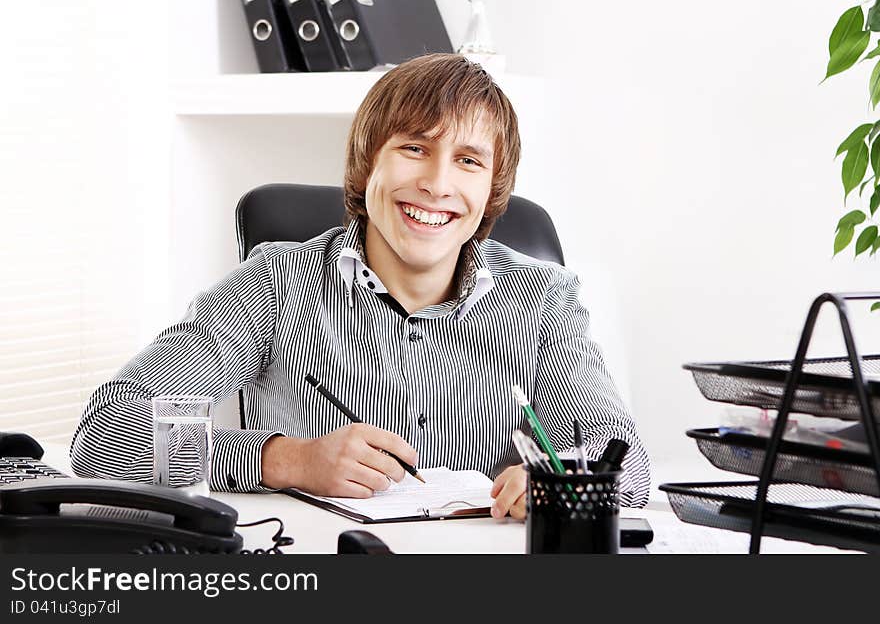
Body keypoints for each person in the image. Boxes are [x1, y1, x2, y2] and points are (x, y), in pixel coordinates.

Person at [70, 53, 650, 520]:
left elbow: (632, 468)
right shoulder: (277, 283)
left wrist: (560, 486)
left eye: (468, 160)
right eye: (414, 148)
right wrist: (283, 459)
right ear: (367, 163)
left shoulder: (543, 299)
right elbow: (101, 438)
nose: (437, 183)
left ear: (492, 190)